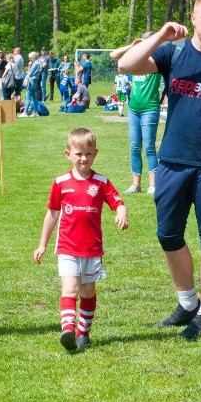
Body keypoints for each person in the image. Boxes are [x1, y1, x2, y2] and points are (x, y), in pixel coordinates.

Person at [117, 0, 201, 340]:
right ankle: (187, 302)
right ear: (192, 18)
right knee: (168, 234)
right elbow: (126, 66)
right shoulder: (172, 54)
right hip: (172, 162)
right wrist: (160, 35)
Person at [33, 128, 128, 352]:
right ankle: (68, 328)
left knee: (87, 291)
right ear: (68, 154)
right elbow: (52, 214)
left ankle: (83, 333)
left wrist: (121, 211)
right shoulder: (60, 182)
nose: (83, 158)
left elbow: (117, 201)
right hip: (67, 247)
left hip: (92, 249)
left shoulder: (102, 182)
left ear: (95, 153)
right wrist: (42, 244)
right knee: (70, 288)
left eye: (88, 154)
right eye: (78, 154)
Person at [110, 33, 163, 196]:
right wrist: (133, 45)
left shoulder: (158, 61)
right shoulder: (135, 61)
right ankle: (136, 184)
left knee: (149, 148)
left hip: (150, 108)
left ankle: (153, 184)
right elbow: (114, 55)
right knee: (134, 148)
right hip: (133, 109)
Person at [20, 51, 42, 117]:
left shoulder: (35, 63)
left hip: (31, 81)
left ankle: (25, 112)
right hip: (34, 81)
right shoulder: (38, 63)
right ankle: (35, 112)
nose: (29, 59)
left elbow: (30, 72)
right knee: (34, 97)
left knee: (28, 96)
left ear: (32, 57)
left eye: (30, 58)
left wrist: (25, 78)